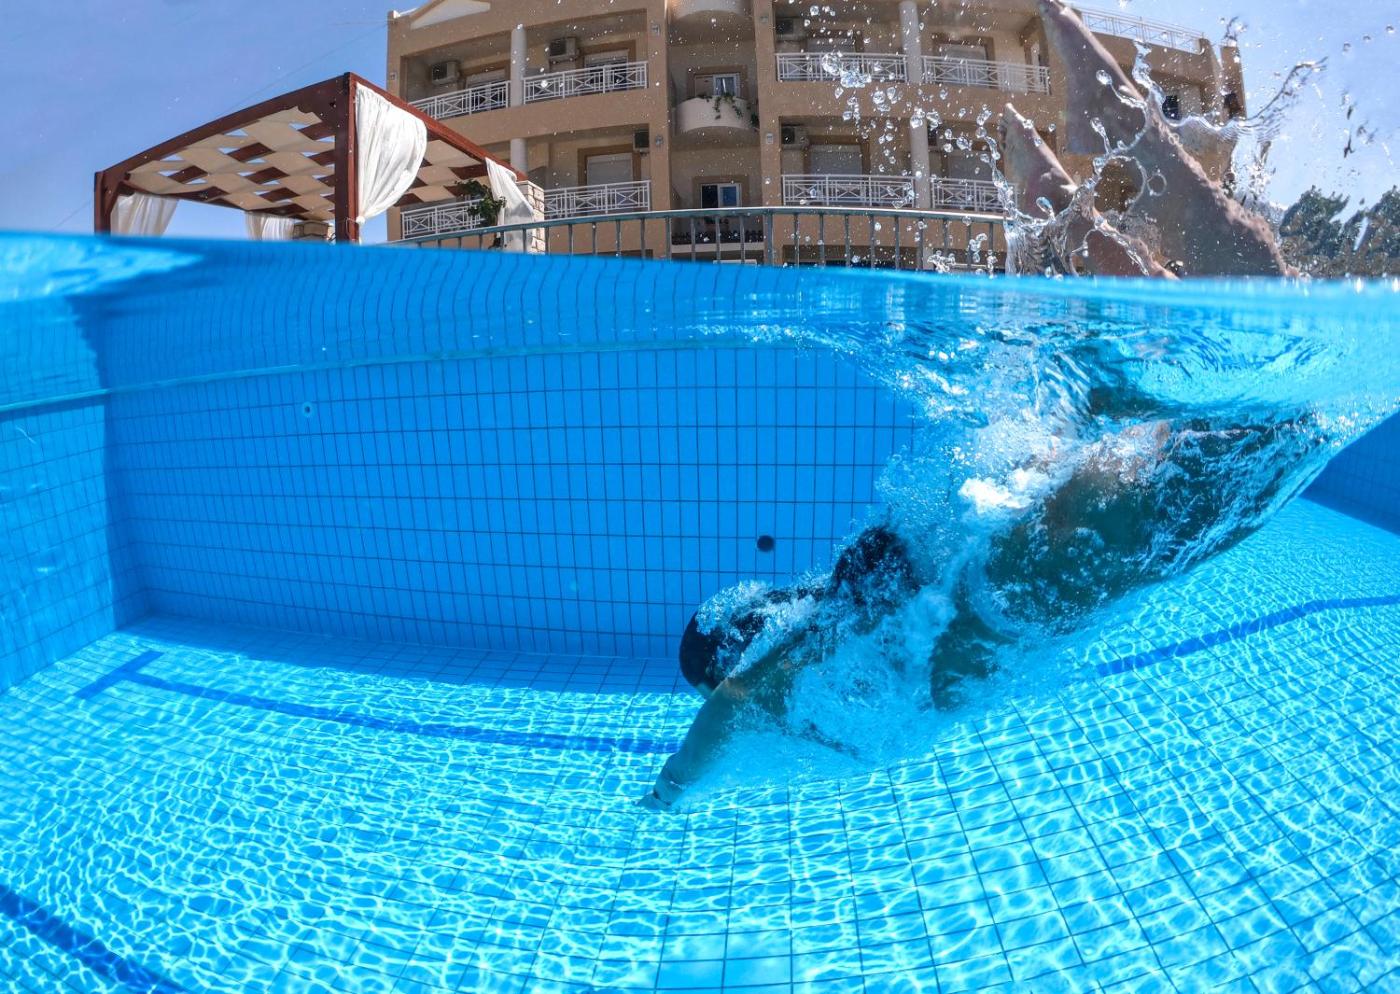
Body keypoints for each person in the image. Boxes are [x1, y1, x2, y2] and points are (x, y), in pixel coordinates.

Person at [641, 1, 1299, 811]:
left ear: (741, 658)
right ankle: (1065, 209)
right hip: (1019, 555)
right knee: (1236, 409)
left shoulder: (816, 665)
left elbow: (731, 707)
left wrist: (668, 791)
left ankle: (1125, 138)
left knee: (1267, 401)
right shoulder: (854, 625)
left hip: (1030, 582)